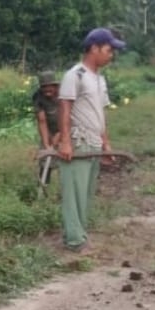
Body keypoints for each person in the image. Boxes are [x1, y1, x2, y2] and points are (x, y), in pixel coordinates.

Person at [56, 28, 125, 253]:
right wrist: (65, 141)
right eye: (109, 50)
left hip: (94, 142)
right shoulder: (74, 75)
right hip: (78, 141)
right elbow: (64, 109)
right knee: (74, 193)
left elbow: (100, 114)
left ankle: (78, 235)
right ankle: (74, 240)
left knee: (85, 193)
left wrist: (106, 144)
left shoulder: (99, 79)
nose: (111, 55)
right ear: (94, 48)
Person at [33, 70, 61, 189]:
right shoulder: (38, 96)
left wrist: (60, 135)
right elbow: (42, 121)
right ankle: (43, 188)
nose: (47, 91)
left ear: (55, 86)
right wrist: (47, 144)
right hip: (50, 130)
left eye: (49, 88)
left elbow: (70, 118)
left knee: (67, 159)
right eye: (44, 88)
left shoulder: (64, 94)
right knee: (45, 160)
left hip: (69, 129)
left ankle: (65, 191)